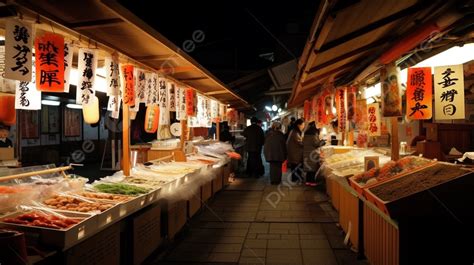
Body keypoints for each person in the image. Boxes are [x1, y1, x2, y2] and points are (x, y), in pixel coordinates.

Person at [303, 121, 326, 186]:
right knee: (312, 169)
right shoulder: (313, 134)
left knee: (308, 169)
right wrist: (323, 141)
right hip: (312, 154)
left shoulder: (306, 133)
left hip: (306, 153)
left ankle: (308, 181)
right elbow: (316, 144)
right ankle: (312, 182)